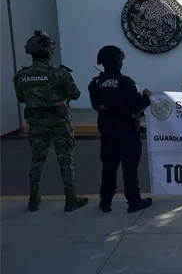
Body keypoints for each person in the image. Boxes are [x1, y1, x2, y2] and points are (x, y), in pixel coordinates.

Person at [13, 30, 88, 212]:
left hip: (36, 123)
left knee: (37, 161)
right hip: (59, 123)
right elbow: (75, 94)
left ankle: (34, 200)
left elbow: (21, 98)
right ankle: (71, 199)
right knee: (65, 161)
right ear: (48, 51)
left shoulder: (21, 75)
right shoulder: (59, 74)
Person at [88, 45, 153, 213]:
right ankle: (133, 201)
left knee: (108, 168)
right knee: (130, 169)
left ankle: (105, 201)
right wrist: (146, 97)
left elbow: (96, 105)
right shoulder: (126, 83)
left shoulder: (94, 84)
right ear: (118, 61)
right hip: (127, 132)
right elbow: (137, 106)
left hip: (107, 132)